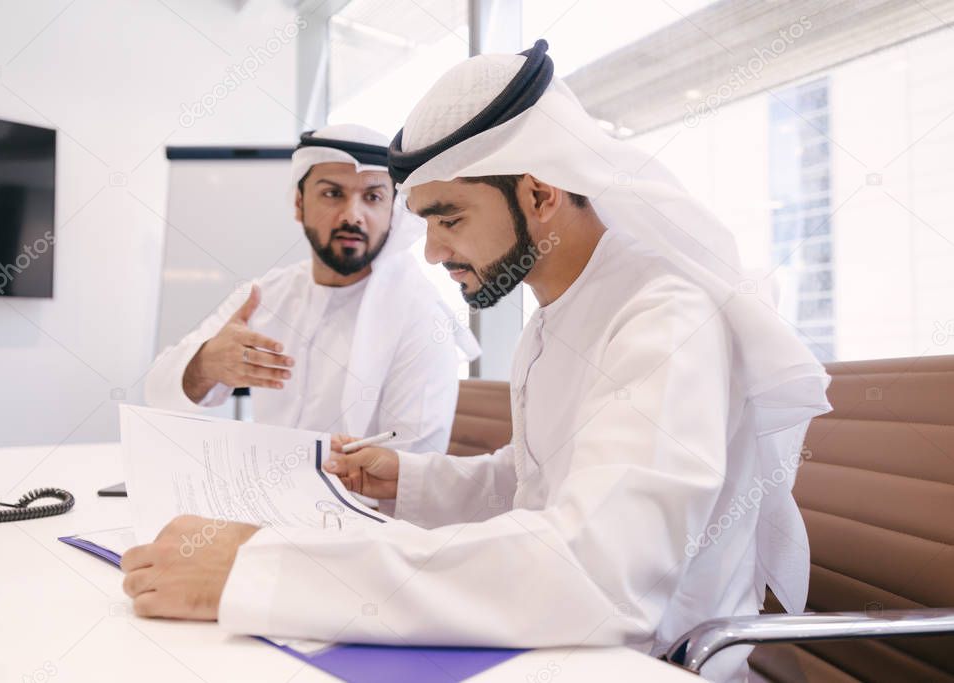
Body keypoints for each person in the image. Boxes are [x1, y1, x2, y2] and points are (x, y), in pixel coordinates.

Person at [123, 42, 831, 682]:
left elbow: (592, 572)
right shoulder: (561, 308)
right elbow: (540, 483)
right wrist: (411, 480)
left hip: (644, 659)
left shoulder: (666, 315)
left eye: (448, 217)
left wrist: (259, 571)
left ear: (539, 194)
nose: (429, 251)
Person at [144, 124, 478, 454]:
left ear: (393, 212)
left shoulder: (419, 317)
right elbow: (158, 392)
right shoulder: (267, 296)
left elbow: (409, 471)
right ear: (299, 204)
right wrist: (205, 364)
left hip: (358, 507)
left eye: (373, 197)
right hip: (258, 494)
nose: (352, 215)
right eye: (333, 194)